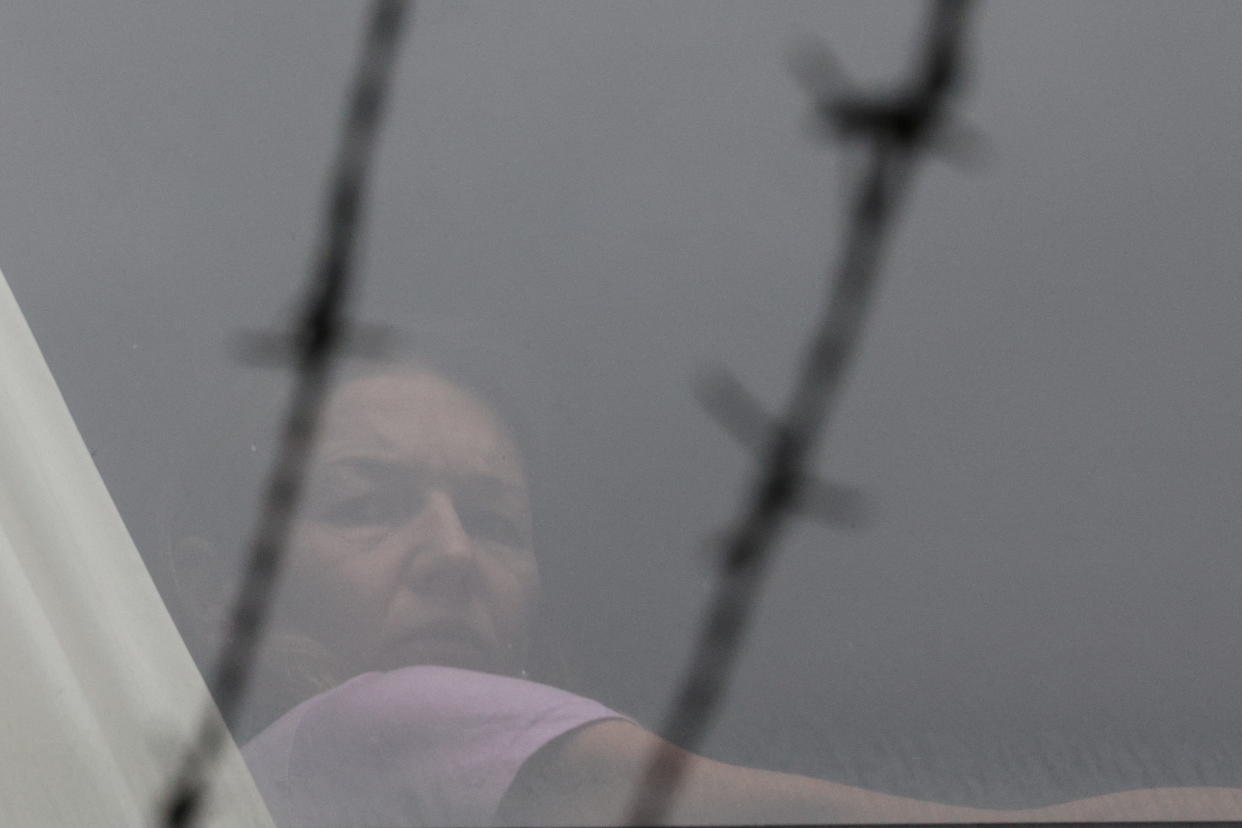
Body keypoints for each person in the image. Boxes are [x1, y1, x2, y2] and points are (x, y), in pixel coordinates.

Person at [205, 362, 1241, 826]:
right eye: (365, 505)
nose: (452, 553)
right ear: (220, 581)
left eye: (496, 520)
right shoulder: (372, 723)